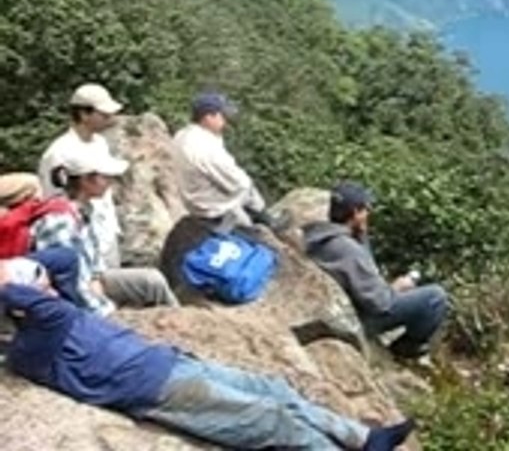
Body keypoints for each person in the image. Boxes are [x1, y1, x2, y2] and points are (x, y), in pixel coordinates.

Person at [0, 252, 416, 451]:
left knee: (275, 390)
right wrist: (7, 284)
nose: (52, 289)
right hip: (156, 389)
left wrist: (25, 267)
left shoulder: (54, 312)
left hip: (171, 363)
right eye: (40, 288)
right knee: (271, 421)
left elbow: (65, 261)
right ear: (20, 305)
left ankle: (364, 438)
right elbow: (42, 303)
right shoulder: (35, 342)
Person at [303, 182, 448, 359]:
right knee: (435, 297)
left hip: (335, 309)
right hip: (354, 319)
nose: (368, 213)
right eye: (365, 209)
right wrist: (397, 288)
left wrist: (361, 234)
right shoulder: (349, 249)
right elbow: (380, 303)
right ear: (356, 213)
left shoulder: (318, 235)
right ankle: (405, 349)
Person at [33, 147, 179, 315]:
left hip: (92, 280)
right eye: (105, 177)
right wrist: (107, 311)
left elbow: (91, 263)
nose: (110, 182)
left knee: (152, 280)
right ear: (86, 180)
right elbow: (70, 282)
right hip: (75, 297)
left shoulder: (84, 209)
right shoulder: (60, 221)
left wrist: (96, 278)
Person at [37, 83, 125, 269]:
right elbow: (53, 198)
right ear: (84, 114)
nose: (110, 119)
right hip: (78, 235)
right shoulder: (59, 152)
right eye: (104, 115)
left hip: (105, 230)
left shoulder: (100, 143)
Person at [172, 92, 267, 229]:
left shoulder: (182, 135)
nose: (225, 120)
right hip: (212, 208)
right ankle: (268, 221)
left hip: (192, 200)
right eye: (222, 115)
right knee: (247, 186)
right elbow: (239, 183)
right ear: (208, 117)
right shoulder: (204, 145)